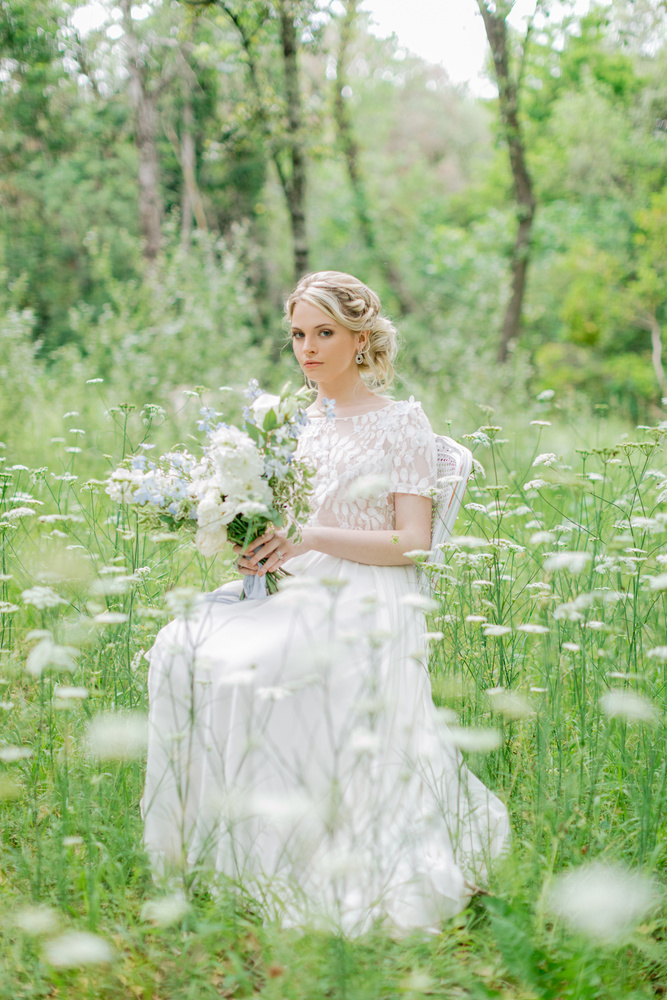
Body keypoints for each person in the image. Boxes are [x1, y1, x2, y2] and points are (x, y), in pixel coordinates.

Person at [142, 270, 510, 936]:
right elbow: (278, 517)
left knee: (277, 655)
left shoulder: (400, 422)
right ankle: (218, 848)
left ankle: (307, 850)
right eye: (297, 335)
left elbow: (413, 543)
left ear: (360, 337)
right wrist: (252, 544)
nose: (307, 348)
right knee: (181, 642)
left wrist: (306, 537)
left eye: (323, 333)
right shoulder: (286, 422)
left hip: (371, 587)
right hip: (300, 578)